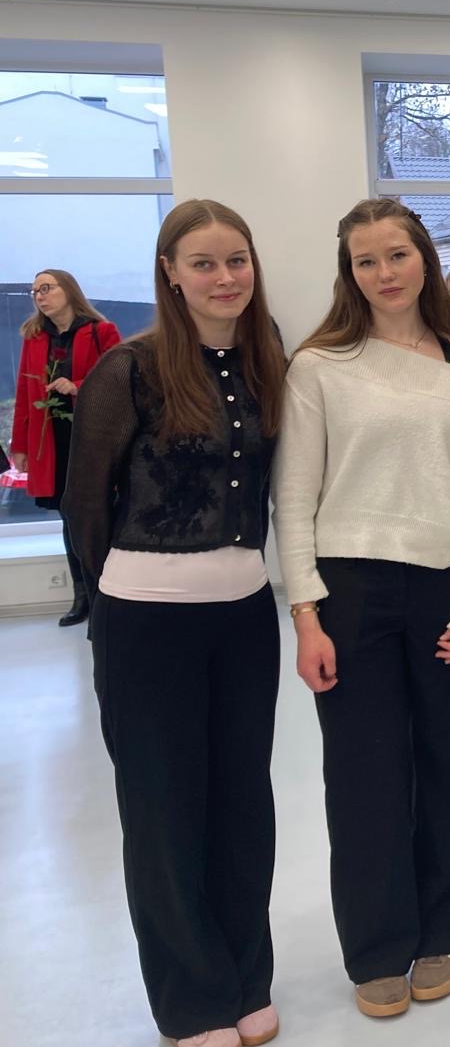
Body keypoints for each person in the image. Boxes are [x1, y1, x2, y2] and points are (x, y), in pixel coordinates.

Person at [63, 199, 285, 1047]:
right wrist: (112, 597)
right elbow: (86, 504)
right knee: (163, 812)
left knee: (242, 805)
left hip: (244, 617)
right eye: (203, 263)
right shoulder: (130, 368)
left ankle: (245, 976)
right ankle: (192, 1000)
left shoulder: (267, 359)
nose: (224, 277)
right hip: (146, 619)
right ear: (171, 273)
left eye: (237, 260)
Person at [274, 198, 450, 1020]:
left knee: (449, 764)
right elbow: (294, 496)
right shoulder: (319, 365)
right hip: (351, 592)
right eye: (365, 261)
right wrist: (306, 614)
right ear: (350, 272)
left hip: (446, 585)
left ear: (424, 258)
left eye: (397, 254)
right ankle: (376, 947)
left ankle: (440, 932)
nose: (384, 273)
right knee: (364, 775)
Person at [9, 268, 120, 626]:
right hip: (52, 442)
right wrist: (20, 446)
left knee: (97, 516)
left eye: (46, 288)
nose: (39, 296)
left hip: (92, 439)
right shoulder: (34, 337)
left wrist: (77, 385)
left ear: (69, 290)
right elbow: (25, 393)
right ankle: (83, 596)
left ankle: (110, 594)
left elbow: (121, 381)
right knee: (68, 515)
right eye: (35, 291)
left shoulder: (101, 331)